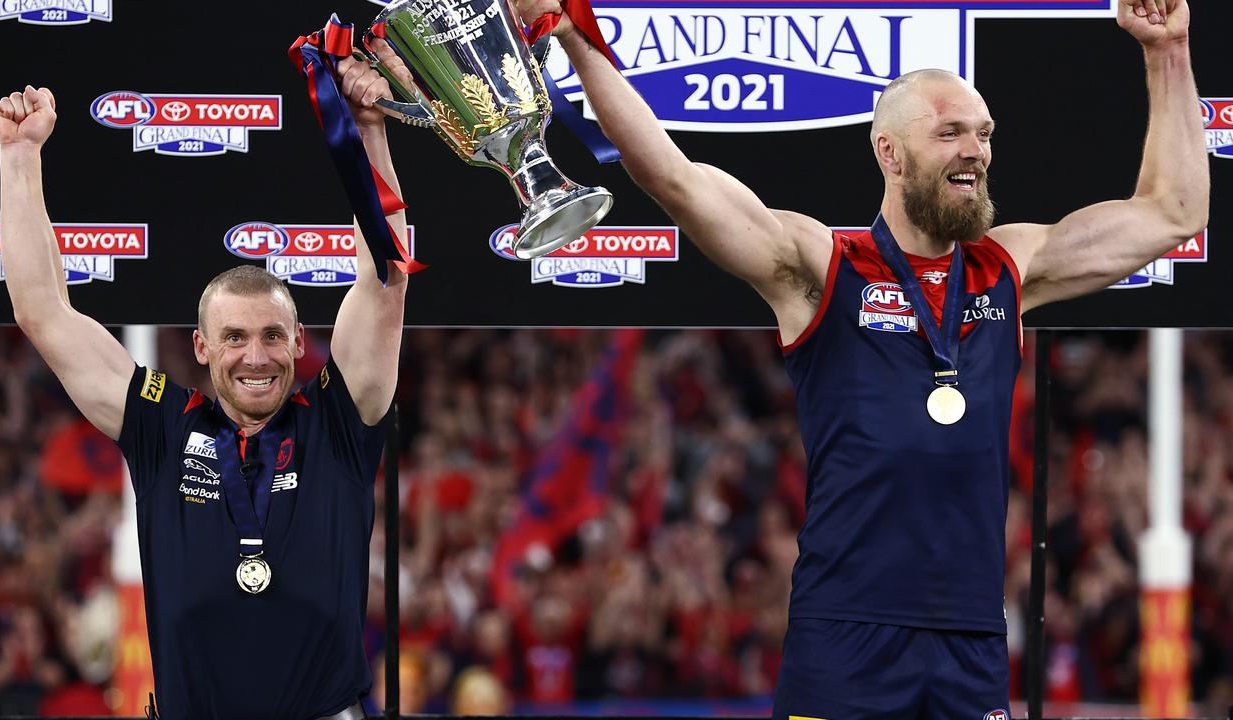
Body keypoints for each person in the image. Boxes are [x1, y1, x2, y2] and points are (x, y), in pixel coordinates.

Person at [508, 0, 1207, 716]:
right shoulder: (823, 266)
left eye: (984, 134)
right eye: (951, 133)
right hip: (845, 638)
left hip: (971, 641)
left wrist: (1168, 49)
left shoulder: (1010, 267)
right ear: (890, 153)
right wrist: (575, 36)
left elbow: (1175, 212)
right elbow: (677, 181)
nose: (976, 150)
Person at [0, 53, 411, 720]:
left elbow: (385, 281)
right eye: (236, 338)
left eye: (273, 336)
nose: (256, 356)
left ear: (301, 344)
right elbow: (41, 310)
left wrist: (368, 129)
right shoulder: (162, 424)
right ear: (202, 348)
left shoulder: (335, 417)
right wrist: (20, 157)